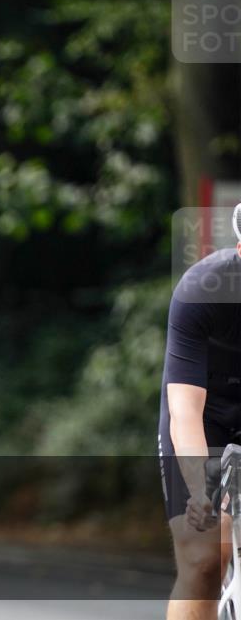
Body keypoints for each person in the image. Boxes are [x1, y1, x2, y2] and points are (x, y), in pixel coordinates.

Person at [161, 202, 241, 620]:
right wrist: (200, 492)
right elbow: (185, 411)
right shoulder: (201, 288)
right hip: (205, 417)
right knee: (204, 555)